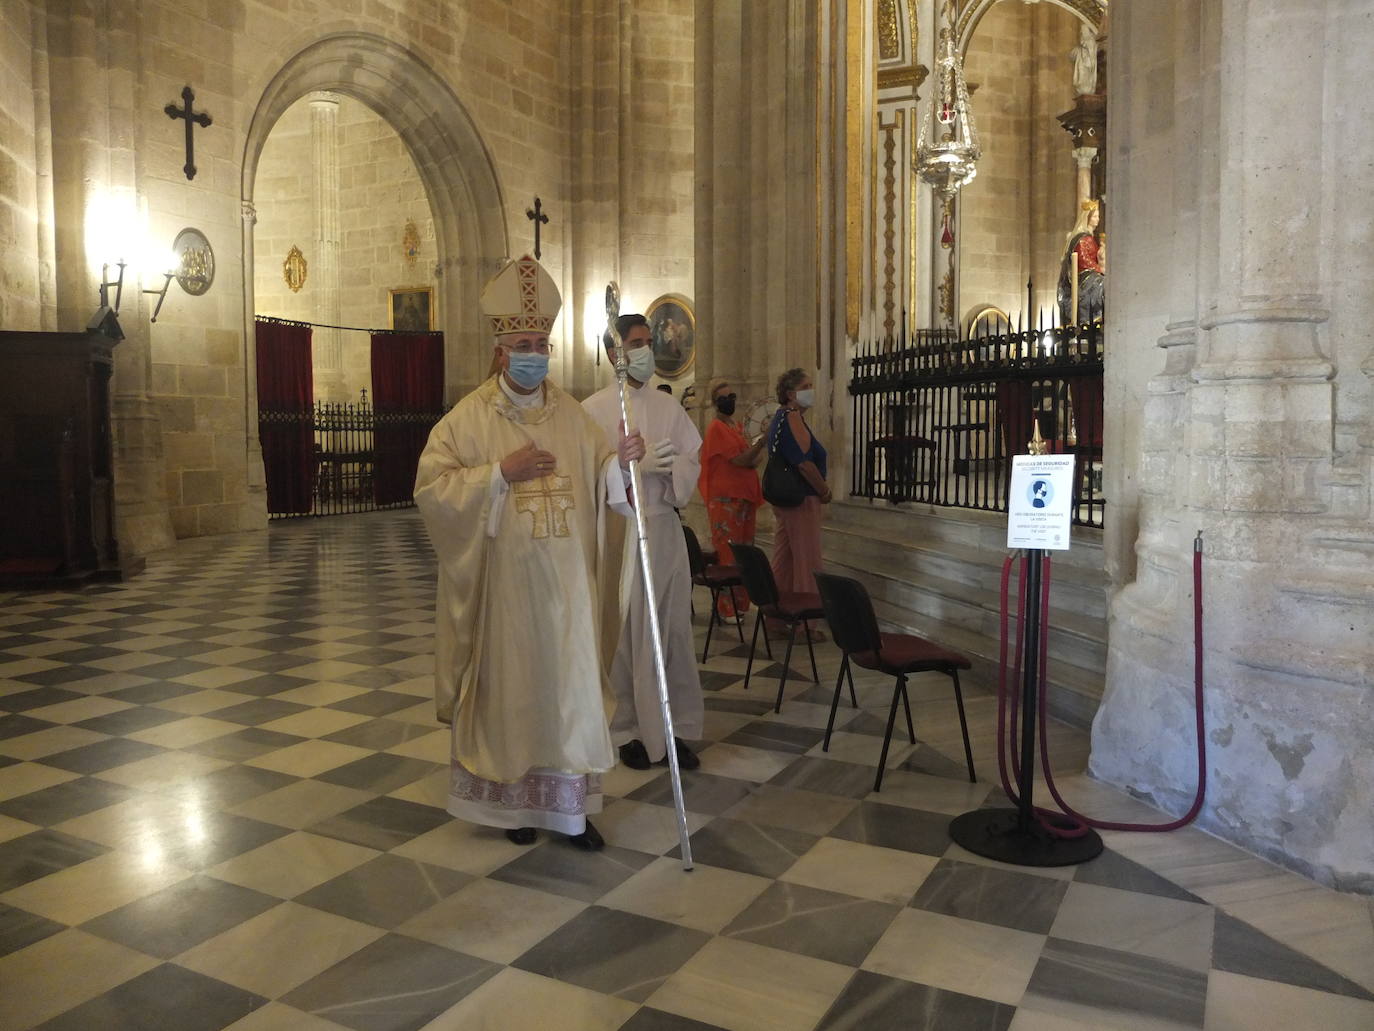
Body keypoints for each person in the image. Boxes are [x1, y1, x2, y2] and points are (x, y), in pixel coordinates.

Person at [414, 255, 645, 852]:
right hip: (507, 594)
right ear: (499, 351)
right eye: (523, 342)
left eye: (541, 342)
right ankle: (511, 803)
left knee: (569, 695)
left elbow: (600, 478)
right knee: (514, 696)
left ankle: (570, 811)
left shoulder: (572, 415)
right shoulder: (465, 421)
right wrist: (497, 474)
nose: (534, 353)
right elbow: (433, 490)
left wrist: (619, 464)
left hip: (567, 592)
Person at [583, 314, 705, 772]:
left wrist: (669, 469)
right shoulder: (591, 410)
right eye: (637, 342)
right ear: (614, 352)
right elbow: (585, 476)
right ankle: (629, 729)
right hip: (621, 532)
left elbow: (691, 459)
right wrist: (624, 466)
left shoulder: (669, 407)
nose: (646, 350)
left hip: (663, 528)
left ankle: (676, 728)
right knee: (627, 633)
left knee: (672, 631)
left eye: (649, 341)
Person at [768, 368, 829, 636]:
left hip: (785, 501)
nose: (810, 390)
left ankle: (775, 617)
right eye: (806, 386)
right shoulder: (792, 418)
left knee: (784, 560)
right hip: (801, 497)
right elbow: (804, 462)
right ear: (792, 394)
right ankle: (806, 624)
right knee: (807, 562)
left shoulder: (780, 418)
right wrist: (823, 489)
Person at [698, 377, 764, 619]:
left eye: (732, 397)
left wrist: (754, 452)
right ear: (716, 403)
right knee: (728, 553)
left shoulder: (734, 426)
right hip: (726, 498)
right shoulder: (716, 428)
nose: (729, 402)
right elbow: (742, 460)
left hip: (743, 496)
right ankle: (726, 607)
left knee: (745, 552)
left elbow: (754, 460)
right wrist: (760, 445)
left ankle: (742, 603)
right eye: (723, 399)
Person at [1057, 199, 1105, 326]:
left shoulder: (1091, 238)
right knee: (1100, 285)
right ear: (1088, 218)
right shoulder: (1083, 238)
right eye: (1095, 216)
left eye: (1098, 216)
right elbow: (1083, 259)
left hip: (1094, 272)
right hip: (1085, 275)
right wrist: (1099, 269)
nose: (1098, 219)